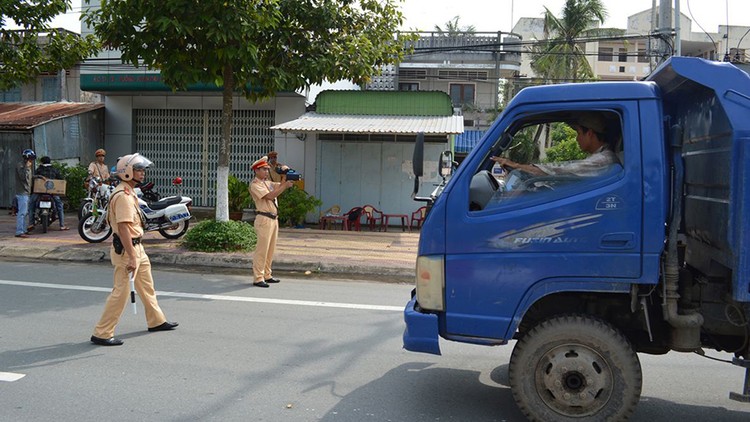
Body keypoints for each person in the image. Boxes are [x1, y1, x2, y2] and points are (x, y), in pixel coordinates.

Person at [90, 153, 178, 346]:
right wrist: (131, 256)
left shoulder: (130, 193)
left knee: (147, 287)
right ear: (127, 172)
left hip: (138, 248)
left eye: (143, 169)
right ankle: (102, 332)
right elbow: (123, 228)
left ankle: (156, 320)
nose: (143, 173)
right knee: (120, 293)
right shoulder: (122, 196)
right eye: (139, 170)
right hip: (128, 250)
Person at [491, 112, 618, 178]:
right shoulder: (600, 157)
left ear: (589, 133)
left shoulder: (602, 160)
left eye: (579, 133)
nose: (577, 139)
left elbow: (560, 171)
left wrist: (517, 165)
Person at [249, 156, 294, 287]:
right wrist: (284, 185)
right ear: (256, 170)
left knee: (270, 249)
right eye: (264, 169)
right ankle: (258, 277)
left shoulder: (267, 183)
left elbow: (279, 186)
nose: (267, 172)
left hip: (273, 219)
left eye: (267, 169)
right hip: (263, 218)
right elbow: (270, 196)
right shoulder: (255, 185)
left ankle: (267, 274)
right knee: (262, 250)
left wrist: (286, 174)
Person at [29, 156, 69, 231]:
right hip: (52, 192)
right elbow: (60, 179)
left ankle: (31, 223)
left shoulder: (39, 169)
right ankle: (62, 225)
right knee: (59, 206)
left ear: (42, 162)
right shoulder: (54, 169)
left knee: (31, 204)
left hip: (39, 192)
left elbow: (33, 178)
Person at [14, 149, 35, 238]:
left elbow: (29, 178)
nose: (32, 161)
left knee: (25, 212)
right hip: (22, 192)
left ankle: (24, 229)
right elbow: (23, 177)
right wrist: (26, 167)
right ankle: (19, 231)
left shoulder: (27, 167)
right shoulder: (21, 165)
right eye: (31, 159)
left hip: (26, 192)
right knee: (22, 213)